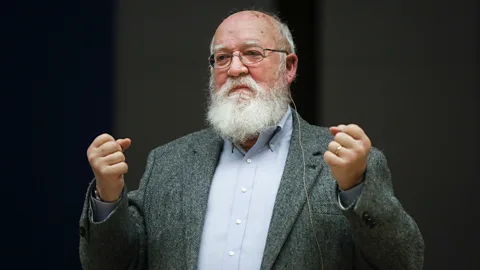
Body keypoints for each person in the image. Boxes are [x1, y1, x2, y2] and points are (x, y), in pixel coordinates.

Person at [79, 10, 424, 270]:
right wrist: (108, 194)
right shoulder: (168, 162)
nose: (235, 68)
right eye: (223, 57)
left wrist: (355, 188)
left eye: (253, 54)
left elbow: (403, 262)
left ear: (288, 67)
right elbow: (111, 264)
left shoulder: (344, 161)